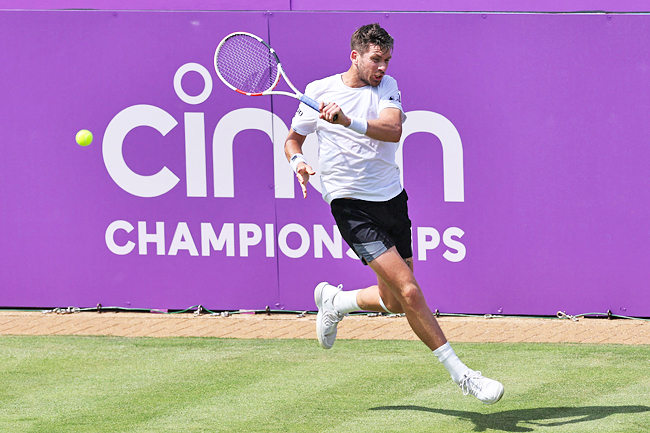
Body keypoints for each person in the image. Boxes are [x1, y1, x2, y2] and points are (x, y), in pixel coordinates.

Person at [283, 23, 504, 405]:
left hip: (391, 200)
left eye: (386, 60)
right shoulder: (318, 93)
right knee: (410, 291)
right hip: (349, 204)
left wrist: (346, 120)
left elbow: (392, 130)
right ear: (355, 56)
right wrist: (299, 161)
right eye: (375, 59)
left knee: (396, 301)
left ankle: (337, 302)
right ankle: (464, 375)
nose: (382, 67)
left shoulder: (386, 87)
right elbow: (292, 140)